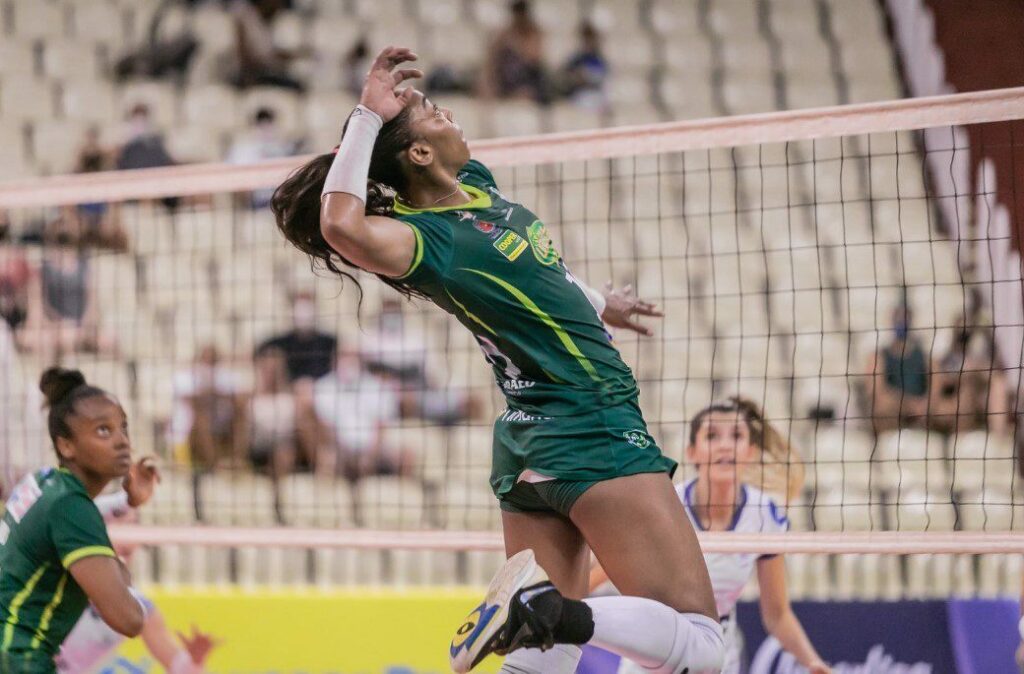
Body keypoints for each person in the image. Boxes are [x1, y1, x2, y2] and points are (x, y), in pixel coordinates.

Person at [271, 47, 723, 674]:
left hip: (530, 443)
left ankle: (540, 615)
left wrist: (597, 302)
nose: (447, 112)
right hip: (591, 423)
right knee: (701, 646)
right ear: (419, 154)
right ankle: (542, 609)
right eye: (432, 114)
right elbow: (343, 226)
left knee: (546, 662)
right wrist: (366, 119)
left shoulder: (476, 190)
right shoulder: (430, 239)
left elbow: (534, 270)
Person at [590, 398, 830, 674]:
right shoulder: (665, 507)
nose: (725, 445)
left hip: (718, 656)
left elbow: (777, 615)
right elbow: (597, 575)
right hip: (656, 649)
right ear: (692, 452)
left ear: (750, 451)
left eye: (736, 436)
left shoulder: (765, 514)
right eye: (712, 436)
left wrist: (812, 661)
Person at [0, 368, 148, 672]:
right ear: (66, 445)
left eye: (124, 428)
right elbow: (129, 618)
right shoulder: (71, 508)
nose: (122, 441)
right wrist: (122, 583)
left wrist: (128, 501)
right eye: (103, 431)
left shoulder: (43, 481)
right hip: (16, 656)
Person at [57, 481, 218, 673]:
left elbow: (177, 665)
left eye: (134, 525)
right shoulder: (54, 578)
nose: (128, 537)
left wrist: (195, 660)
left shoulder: (138, 607)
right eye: (117, 521)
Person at [313, 345, 411, 482]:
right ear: (335, 360)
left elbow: (382, 425)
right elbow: (324, 426)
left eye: (352, 357)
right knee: (326, 460)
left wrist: (370, 455)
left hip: (373, 447)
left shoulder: (378, 386)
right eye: (344, 356)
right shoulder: (323, 386)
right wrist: (344, 451)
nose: (348, 361)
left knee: (406, 456)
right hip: (338, 447)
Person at [169, 345, 248, 472]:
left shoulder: (228, 376)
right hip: (189, 435)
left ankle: (237, 460)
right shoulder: (185, 376)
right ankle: (215, 467)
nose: (210, 362)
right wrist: (213, 393)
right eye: (207, 359)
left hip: (223, 431)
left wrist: (216, 393)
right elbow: (190, 400)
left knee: (241, 415)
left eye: (214, 359)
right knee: (201, 418)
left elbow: (243, 401)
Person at [928, 315, 1010, 434]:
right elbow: (937, 387)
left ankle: (1000, 438)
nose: (963, 337)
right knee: (966, 386)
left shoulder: (977, 354)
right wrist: (960, 376)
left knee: (998, 384)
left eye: (967, 334)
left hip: (976, 402)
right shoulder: (944, 357)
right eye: (960, 334)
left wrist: (977, 369)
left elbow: (995, 375)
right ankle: (960, 439)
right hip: (950, 402)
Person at [866, 304, 929, 433]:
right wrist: (909, 404)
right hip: (895, 410)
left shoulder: (923, 356)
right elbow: (876, 392)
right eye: (898, 319)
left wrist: (924, 404)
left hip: (921, 411)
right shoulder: (879, 356)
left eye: (905, 319)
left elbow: (935, 388)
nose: (902, 323)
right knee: (883, 408)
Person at [228, 0, 307, 92]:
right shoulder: (245, 17)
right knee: (296, 87)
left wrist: (297, 55)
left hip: (267, 72)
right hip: (252, 76)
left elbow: (270, 53)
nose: (279, 6)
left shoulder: (267, 20)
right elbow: (247, 58)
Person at [227, 107, 298, 209]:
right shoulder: (244, 148)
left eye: (269, 123)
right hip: (254, 201)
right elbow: (234, 173)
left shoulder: (283, 148)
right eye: (261, 124)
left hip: (280, 199)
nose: (266, 128)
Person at [479, 0, 549, 103]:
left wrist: (517, 44)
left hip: (527, 81)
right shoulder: (505, 34)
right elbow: (492, 57)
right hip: (506, 83)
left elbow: (533, 59)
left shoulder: (534, 33)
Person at [247, 346, 298, 479]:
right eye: (267, 369)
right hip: (255, 445)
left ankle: (279, 492)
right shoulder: (249, 396)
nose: (271, 373)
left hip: (286, 444)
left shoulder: (293, 395)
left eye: (275, 369)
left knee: (284, 452)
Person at [561, 22, 610, 113]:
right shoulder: (574, 60)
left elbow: (604, 80)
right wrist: (577, 77)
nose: (589, 43)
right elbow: (565, 80)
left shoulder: (600, 60)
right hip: (578, 98)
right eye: (586, 39)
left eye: (591, 39)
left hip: (597, 97)